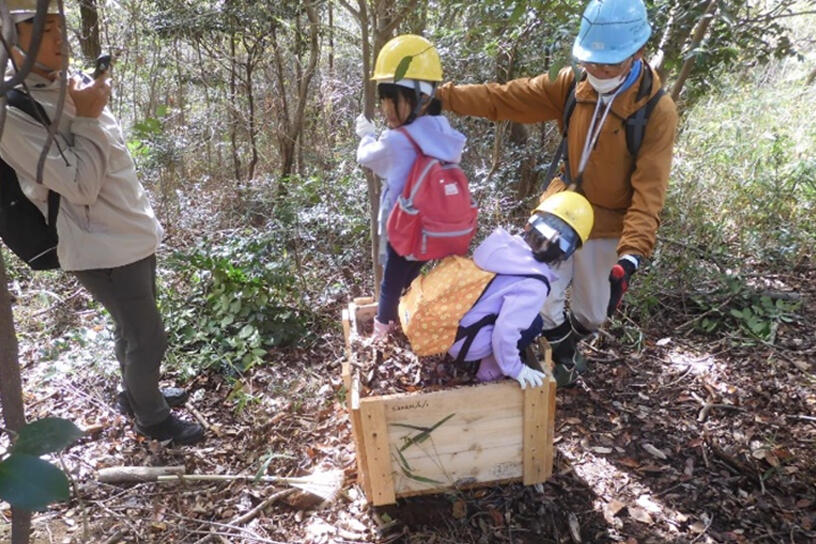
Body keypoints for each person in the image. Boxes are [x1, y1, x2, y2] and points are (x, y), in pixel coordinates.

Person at [435, 0, 678, 385]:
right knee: (538, 294)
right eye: (590, 62)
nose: (596, 72)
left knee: (594, 314)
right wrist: (443, 97)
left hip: (607, 221)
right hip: (559, 209)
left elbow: (649, 190)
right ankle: (539, 347)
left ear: (638, 52)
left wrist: (631, 255)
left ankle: (564, 345)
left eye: (608, 65)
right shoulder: (571, 84)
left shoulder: (655, 111)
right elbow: (503, 97)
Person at [1, 0, 203, 444]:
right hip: (100, 246)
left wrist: (88, 104)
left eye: (59, 26)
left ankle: (137, 394)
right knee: (148, 337)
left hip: (129, 234)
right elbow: (80, 186)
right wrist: (89, 114)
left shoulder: (63, 84)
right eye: (44, 29)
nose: (59, 38)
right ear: (12, 41)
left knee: (130, 328)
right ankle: (153, 418)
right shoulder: (13, 112)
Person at [355, 34, 467, 338]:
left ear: (420, 100)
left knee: (390, 282)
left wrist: (366, 135)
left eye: (394, 102)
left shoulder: (395, 140)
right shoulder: (444, 131)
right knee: (410, 275)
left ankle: (382, 333)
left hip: (403, 225)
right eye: (384, 102)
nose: (386, 111)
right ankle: (408, 314)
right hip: (433, 228)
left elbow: (367, 158)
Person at [448, 192, 594, 388]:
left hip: (449, 331)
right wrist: (515, 368)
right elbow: (505, 330)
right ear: (565, 255)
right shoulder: (533, 284)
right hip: (467, 345)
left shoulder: (501, 245)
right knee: (534, 323)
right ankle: (490, 369)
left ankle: (480, 357)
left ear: (529, 225)